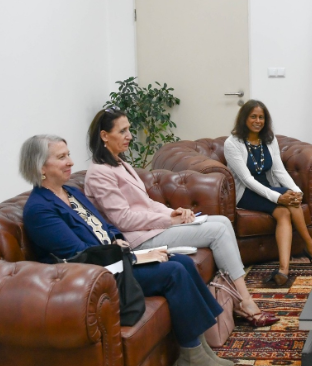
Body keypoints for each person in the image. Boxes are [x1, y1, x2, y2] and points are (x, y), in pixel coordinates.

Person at [20, 135, 236, 366]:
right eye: (61, 157)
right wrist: (135, 258)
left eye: (68, 154)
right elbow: (82, 256)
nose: (70, 161)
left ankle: (199, 349)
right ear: (40, 167)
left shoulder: (70, 192)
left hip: (115, 261)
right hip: (98, 277)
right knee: (174, 272)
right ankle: (193, 354)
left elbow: (106, 226)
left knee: (183, 262)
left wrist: (117, 239)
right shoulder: (39, 209)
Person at [84, 108, 277, 327]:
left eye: (128, 129)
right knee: (218, 231)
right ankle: (244, 301)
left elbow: (146, 203)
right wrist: (169, 221)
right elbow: (123, 219)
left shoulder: (120, 163)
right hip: (139, 239)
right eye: (122, 131)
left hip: (152, 229)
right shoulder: (99, 173)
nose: (129, 135)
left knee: (222, 221)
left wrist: (173, 212)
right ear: (104, 135)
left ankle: (238, 296)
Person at [224, 100, 312, 287]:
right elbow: (246, 179)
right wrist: (278, 197)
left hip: (267, 187)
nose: (258, 121)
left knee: (285, 211)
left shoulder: (269, 140)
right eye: (253, 117)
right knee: (288, 201)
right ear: (244, 118)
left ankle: (283, 269)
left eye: (261, 117)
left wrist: (296, 191)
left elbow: (279, 171)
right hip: (246, 192)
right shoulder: (232, 143)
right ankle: (311, 247)